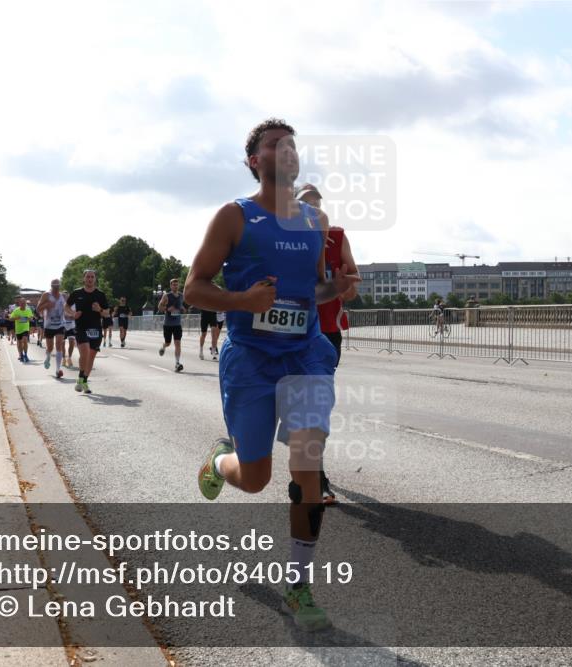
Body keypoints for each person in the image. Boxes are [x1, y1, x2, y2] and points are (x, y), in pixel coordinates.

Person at [184, 118, 360, 631]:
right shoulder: (233, 217)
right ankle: (221, 463)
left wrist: (339, 288)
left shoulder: (312, 222)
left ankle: (299, 585)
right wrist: (242, 300)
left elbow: (314, 292)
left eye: (292, 145)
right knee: (257, 477)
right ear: (254, 161)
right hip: (251, 358)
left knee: (308, 461)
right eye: (273, 145)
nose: (286, 151)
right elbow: (194, 288)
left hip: (304, 354)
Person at [297, 183, 359, 506]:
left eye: (317, 205)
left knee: (317, 405)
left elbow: (352, 290)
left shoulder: (337, 238)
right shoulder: (286, 242)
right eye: (306, 206)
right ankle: (312, 474)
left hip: (327, 335)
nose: (314, 212)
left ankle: (314, 474)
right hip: (294, 334)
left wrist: (343, 287)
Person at [67, 269, 109, 394]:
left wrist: (100, 310)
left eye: (92, 277)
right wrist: (73, 313)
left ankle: (83, 381)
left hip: (96, 328)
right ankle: (82, 378)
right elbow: (66, 306)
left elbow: (107, 313)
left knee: (90, 358)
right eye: (88, 277)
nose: (90, 279)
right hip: (81, 327)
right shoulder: (76, 293)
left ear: (95, 279)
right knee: (84, 354)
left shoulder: (100, 295)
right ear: (83, 278)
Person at [37, 279, 68, 379]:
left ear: (60, 286)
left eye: (57, 287)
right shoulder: (46, 295)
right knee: (50, 348)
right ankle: (48, 357)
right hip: (49, 325)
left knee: (59, 344)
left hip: (60, 324)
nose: (56, 289)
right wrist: (46, 305)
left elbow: (68, 308)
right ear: (51, 286)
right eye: (54, 287)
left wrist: (72, 314)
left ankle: (58, 370)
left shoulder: (63, 296)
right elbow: (38, 309)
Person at [158, 278, 185, 372]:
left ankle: (177, 363)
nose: (175, 286)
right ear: (170, 286)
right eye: (173, 284)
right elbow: (159, 307)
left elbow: (181, 306)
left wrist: (183, 309)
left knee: (178, 343)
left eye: (176, 284)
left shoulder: (181, 295)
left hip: (177, 324)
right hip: (168, 324)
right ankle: (164, 346)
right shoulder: (167, 296)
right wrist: (167, 309)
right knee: (168, 343)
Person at [8, 297, 34, 363]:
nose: (23, 304)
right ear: (19, 303)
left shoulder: (28, 310)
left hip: (25, 328)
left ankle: (25, 354)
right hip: (18, 329)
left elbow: (31, 317)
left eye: (24, 303)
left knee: (25, 340)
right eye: (22, 303)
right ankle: (20, 354)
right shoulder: (16, 310)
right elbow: (10, 318)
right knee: (19, 343)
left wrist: (29, 318)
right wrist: (16, 318)